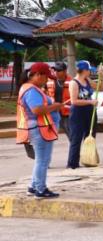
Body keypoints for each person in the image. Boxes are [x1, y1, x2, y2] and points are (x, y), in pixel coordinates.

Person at [16, 63, 64, 199]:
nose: (47, 80)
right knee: (43, 160)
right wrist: (54, 106)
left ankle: (33, 187)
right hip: (39, 129)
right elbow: (36, 110)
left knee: (40, 160)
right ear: (37, 75)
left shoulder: (30, 88)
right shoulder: (31, 90)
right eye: (45, 77)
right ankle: (40, 190)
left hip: (39, 128)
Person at [66, 61, 98, 169]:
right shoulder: (74, 83)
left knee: (90, 135)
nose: (90, 72)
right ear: (84, 70)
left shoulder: (87, 80)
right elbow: (74, 101)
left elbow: (100, 87)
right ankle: (72, 164)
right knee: (76, 138)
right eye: (89, 70)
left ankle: (88, 159)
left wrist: (101, 77)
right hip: (78, 113)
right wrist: (90, 102)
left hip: (89, 111)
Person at [46, 62, 71, 139]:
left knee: (70, 134)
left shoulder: (71, 81)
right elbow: (44, 92)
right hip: (53, 111)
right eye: (55, 70)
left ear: (65, 71)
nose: (56, 72)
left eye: (58, 70)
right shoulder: (49, 81)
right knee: (48, 135)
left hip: (66, 113)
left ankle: (76, 149)